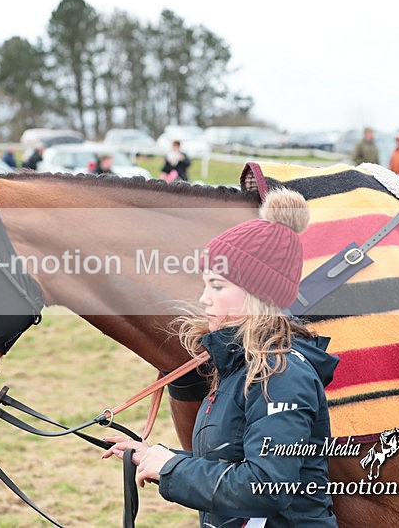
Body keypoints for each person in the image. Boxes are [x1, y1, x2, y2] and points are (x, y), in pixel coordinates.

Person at [104, 188, 339, 527]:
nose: (203, 298)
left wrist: (171, 468)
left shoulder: (282, 375)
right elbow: (231, 462)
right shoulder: (239, 366)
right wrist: (156, 456)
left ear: (258, 294)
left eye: (216, 286)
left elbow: (267, 486)